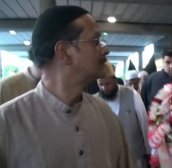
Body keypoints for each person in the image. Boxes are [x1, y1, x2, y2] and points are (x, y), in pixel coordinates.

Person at [0, 6, 136, 168]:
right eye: (95, 41)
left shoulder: (105, 114)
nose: (105, 49)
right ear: (64, 51)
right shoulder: (7, 122)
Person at [96, 62, 150, 168]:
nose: (104, 88)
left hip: (135, 158)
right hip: (109, 160)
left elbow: (145, 125)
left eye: (107, 84)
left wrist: (149, 152)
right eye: (101, 84)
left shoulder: (132, 95)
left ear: (115, 80)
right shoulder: (95, 101)